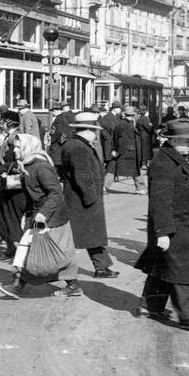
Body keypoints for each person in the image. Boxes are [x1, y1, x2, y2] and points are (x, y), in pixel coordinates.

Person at [134, 119, 189, 329]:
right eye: (187, 141)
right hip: (172, 227)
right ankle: (187, 316)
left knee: (162, 266)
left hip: (182, 224)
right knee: (180, 272)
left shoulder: (178, 157)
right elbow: (160, 201)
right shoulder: (164, 163)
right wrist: (163, 233)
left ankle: (149, 306)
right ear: (174, 140)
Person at [0, 134, 81, 298]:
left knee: (40, 252)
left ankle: (18, 285)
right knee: (50, 252)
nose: (14, 150)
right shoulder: (27, 165)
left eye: (17, 147)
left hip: (51, 217)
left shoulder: (40, 167)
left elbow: (56, 192)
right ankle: (73, 284)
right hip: (39, 215)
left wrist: (43, 213)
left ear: (28, 148)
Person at [60, 112, 120, 279]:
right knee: (82, 236)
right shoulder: (79, 147)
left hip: (80, 199)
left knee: (91, 235)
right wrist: (92, 197)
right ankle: (67, 276)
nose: (96, 135)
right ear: (87, 131)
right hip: (82, 200)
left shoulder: (75, 144)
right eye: (95, 132)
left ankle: (102, 267)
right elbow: (83, 175)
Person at [0, 111, 28, 259]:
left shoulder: (15, 138)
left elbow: (17, 164)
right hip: (10, 181)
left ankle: (20, 253)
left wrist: (3, 175)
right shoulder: (10, 136)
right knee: (7, 216)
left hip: (14, 184)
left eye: (2, 121)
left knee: (12, 216)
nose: (1, 124)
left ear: (9, 122)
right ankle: (13, 248)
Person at [106, 106, 146, 195]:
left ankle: (105, 187)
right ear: (132, 115)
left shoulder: (121, 124)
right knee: (135, 170)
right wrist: (118, 151)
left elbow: (115, 138)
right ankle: (140, 188)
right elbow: (122, 140)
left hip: (124, 151)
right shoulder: (127, 125)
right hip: (127, 151)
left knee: (112, 169)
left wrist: (115, 150)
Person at [100, 101, 121, 190]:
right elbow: (105, 132)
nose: (120, 110)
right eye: (119, 108)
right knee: (111, 164)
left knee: (111, 164)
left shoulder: (114, 117)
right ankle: (104, 186)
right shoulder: (108, 118)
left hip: (112, 145)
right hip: (109, 145)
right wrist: (111, 145)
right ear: (115, 109)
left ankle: (104, 185)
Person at [48, 102, 74, 170]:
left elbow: (58, 131)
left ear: (59, 110)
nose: (53, 113)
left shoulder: (59, 119)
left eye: (54, 111)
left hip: (57, 144)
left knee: (56, 163)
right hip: (61, 143)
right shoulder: (62, 118)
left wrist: (52, 139)